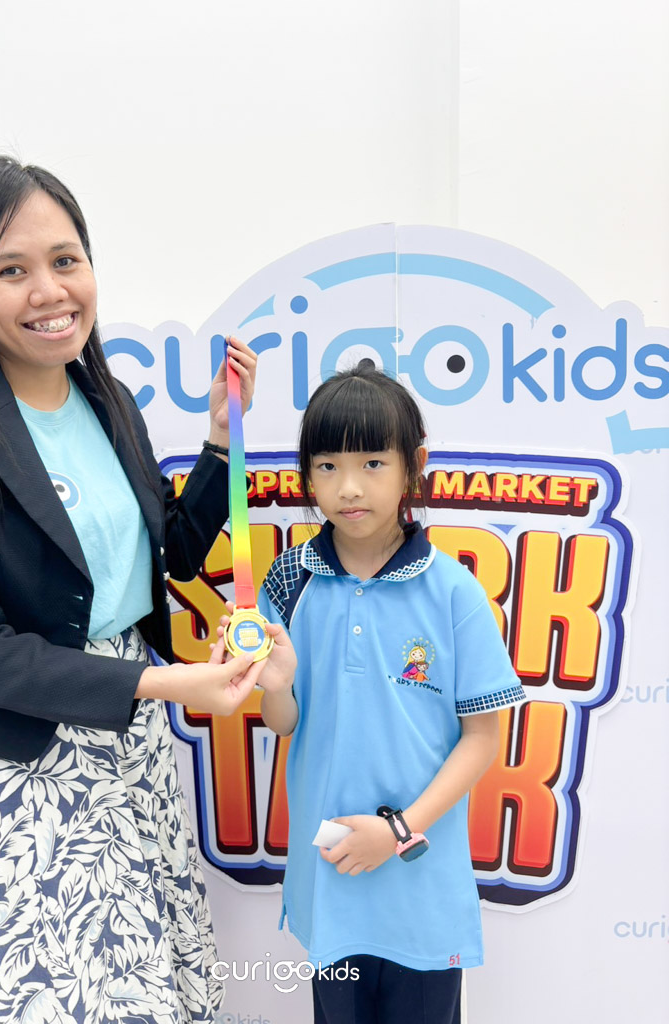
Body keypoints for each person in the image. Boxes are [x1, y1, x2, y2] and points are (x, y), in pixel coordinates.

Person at [0, 156, 264, 1024]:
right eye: (10, 270)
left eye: (65, 260)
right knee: (49, 998)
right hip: (14, 763)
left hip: (130, 747)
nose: (50, 291)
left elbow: (171, 553)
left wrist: (221, 441)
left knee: (148, 982)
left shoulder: (108, 399)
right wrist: (164, 682)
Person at [249, 360, 527, 1024]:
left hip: (420, 892)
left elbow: (482, 738)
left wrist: (398, 830)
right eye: (327, 466)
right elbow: (282, 722)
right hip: (331, 877)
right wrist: (276, 685)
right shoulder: (288, 580)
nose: (348, 487)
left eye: (373, 463)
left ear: (413, 465)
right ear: (306, 473)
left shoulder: (453, 591)